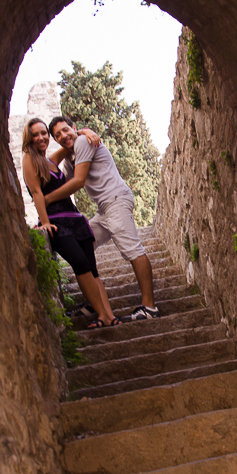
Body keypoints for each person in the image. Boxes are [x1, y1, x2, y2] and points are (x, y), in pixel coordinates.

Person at [44, 115, 159, 321]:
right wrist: (78, 133)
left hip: (116, 200)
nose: (62, 135)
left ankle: (149, 307)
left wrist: (47, 199)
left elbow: (78, 182)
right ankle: (94, 300)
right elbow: (50, 164)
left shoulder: (82, 142)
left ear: (74, 128)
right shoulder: (74, 153)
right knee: (83, 246)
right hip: (103, 209)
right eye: (57, 135)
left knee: (132, 249)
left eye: (65, 130)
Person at [21, 117, 119, 328]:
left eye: (44, 133)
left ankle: (109, 317)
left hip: (75, 220)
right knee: (80, 264)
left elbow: (70, 141)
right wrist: (44, 222)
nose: (41, 138)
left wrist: (86, 130)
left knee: (93, 270)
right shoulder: (29, 159)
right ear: (29, 139)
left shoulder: (50, 160)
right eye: (35, 134)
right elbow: (37, 192)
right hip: (57, 222)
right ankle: (101, 314)